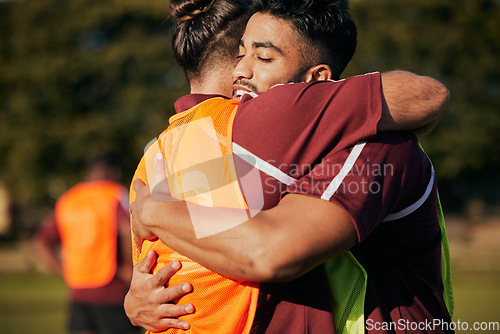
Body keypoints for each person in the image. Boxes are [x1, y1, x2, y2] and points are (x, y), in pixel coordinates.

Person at [126, 0, 453, 333]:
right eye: (240, 54)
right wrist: (137, 296)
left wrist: (153, 212)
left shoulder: (165, 148)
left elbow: (267, 253)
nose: (241, 71)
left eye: (264, 57)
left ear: (318, 83)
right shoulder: (233, 144)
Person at [34, 153, 141, 334]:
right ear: (112, 171)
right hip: (113, 292)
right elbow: (127, 229)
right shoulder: (114, 194)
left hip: (78, 293)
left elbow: (41, 243)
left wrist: (64, 272)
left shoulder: (68, 199)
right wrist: (130, 270)